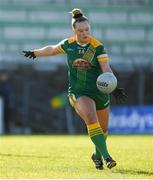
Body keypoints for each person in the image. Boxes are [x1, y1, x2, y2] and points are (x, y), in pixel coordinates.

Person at [22, 8, 127, 170]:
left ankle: (97, 155)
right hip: (78, 92)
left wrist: (114, 86)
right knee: (91, 120)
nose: (85, 33)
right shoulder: (68, 44)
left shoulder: (98, 47)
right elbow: (51, 49)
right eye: (81, 30)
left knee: (104, 129)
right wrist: (35, 53)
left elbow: (106, 69)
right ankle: (107, 157)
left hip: (99, 93)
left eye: (87, 29)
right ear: (74, 31)